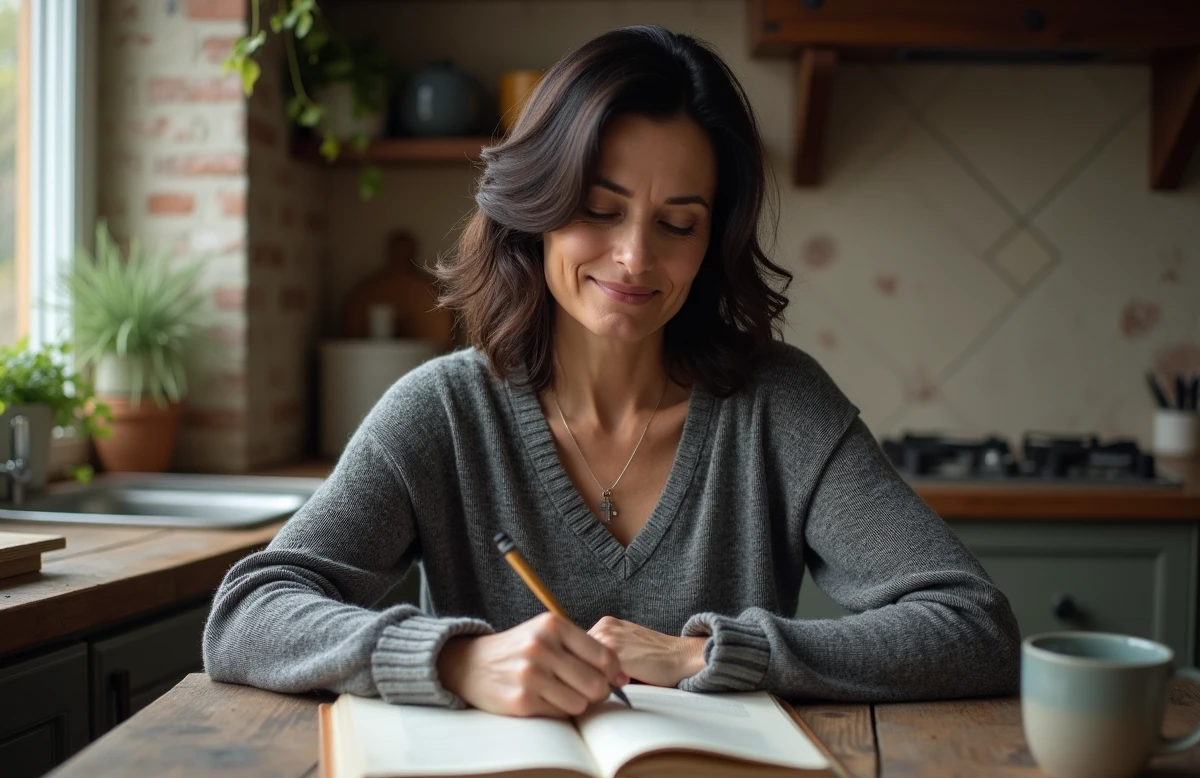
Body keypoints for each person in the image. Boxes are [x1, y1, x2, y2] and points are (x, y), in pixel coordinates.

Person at [203, 25, 1020, 718]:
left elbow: (973, 628)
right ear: (538, 210)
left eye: (678, 223)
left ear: (713, 243)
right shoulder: (443, 410)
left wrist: (708, 653)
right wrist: (452, 661)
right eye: (600, 209)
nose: (635, 257)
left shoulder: (781, 406)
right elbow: (245, 615)